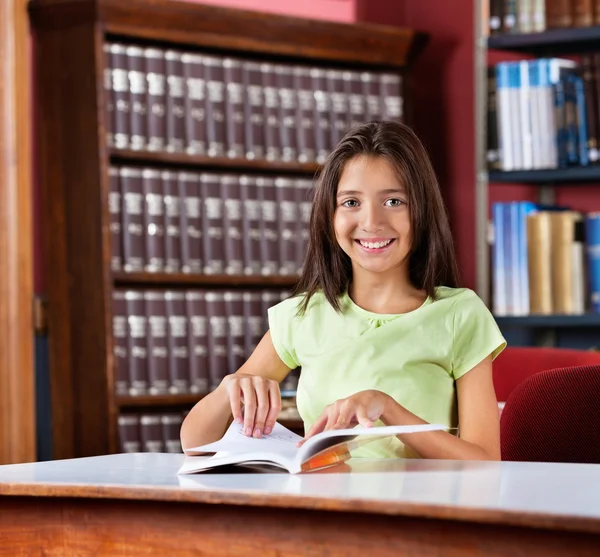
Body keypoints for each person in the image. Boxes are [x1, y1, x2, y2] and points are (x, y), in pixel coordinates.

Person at [180, 121, 506, 460]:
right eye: (351, 202)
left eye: (394, 201)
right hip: (325, 507)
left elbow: (484, 461)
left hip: (422, 509)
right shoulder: (302, 315)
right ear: (329, 216)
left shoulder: (460, 314)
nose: (371, 222)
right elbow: (195, 443)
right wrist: (228, 389)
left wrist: (388, 410)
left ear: (422, 211)